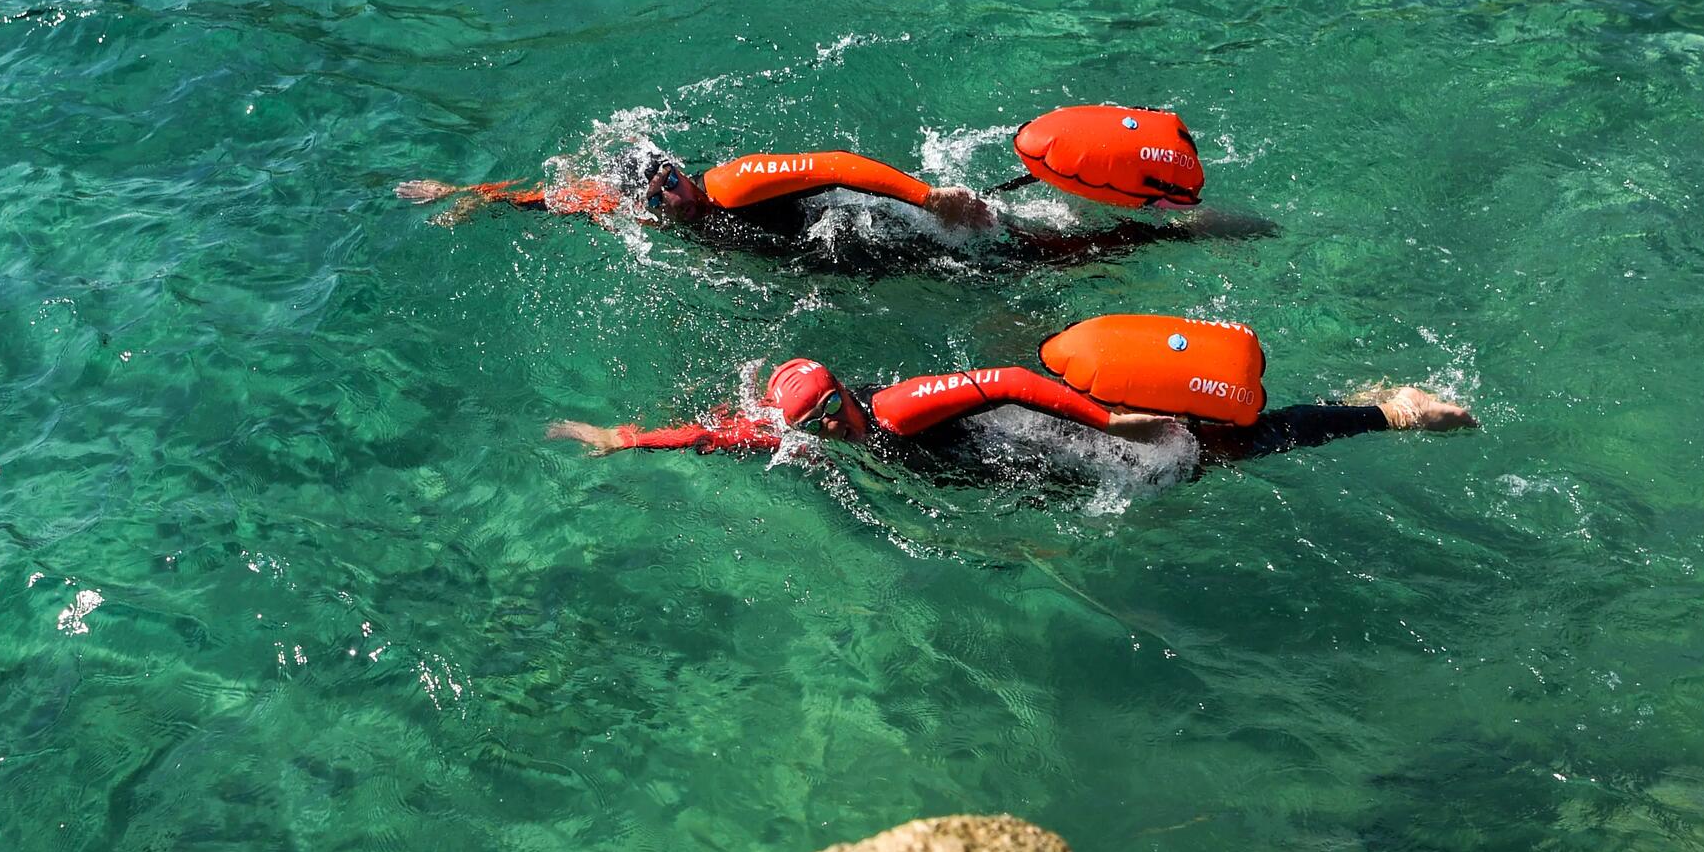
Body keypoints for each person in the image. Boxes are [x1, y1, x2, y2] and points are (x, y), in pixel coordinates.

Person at [398, 118, 1269, 271]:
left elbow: (838, 164)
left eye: (671, 176)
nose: (672, 193)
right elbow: (553, 198)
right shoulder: (628, 208)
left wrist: (931, 199)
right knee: (1024, 267)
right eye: (657, 193)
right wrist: (462, 192)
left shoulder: (732, 183)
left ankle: (1174, 233)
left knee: (1030, 257)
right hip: (843, 262)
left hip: (876, 228)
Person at [547, 356, 1475, 470]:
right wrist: (623, 438)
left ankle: (1383, 411)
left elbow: (998, 380)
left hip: (1055, 426)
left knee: (1214, 452)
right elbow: (720, 433)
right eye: (810, 425)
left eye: (830, 413)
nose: (826, 428)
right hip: (1018, 465)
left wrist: (1104, 424)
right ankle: (1371, 405)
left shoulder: (898, 409)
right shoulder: (800, 426)